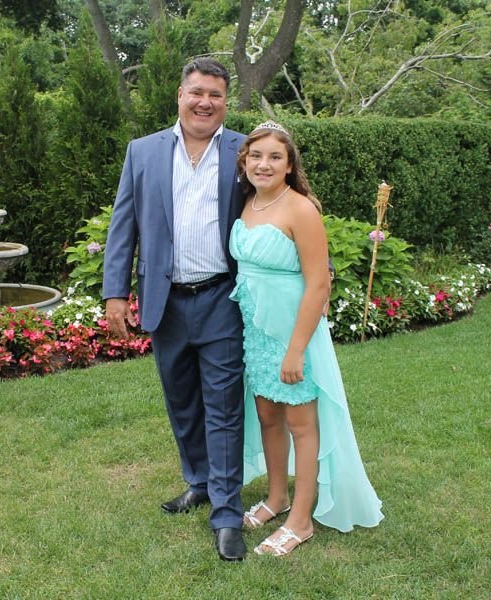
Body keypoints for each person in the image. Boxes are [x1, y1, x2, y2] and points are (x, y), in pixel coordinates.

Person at [102, 58, 248, 561]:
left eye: (216, 95)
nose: (205, 102)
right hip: (165, 303)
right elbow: (124, 226)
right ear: (180, 96)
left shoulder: (243, 151)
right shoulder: (142, 152)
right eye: (197, 92)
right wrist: (115, 293)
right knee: (182, 401)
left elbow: (283, 200)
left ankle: (227, 513)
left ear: (226, 103)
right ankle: (200, 481)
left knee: (224, 409)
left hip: (222, 299)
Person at [228, 121, 384, 556]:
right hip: (256, 333)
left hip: (292, 332)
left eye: (275, 157)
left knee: (301, 423)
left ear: (289, 164)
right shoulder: (248, 204)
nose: (264, 164)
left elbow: (318, 284)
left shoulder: (301, 210)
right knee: (267, 416)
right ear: (244, 161)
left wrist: (296, 348)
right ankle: (276, 498)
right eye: (256, 156)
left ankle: (301, 518)